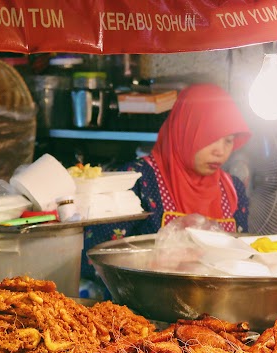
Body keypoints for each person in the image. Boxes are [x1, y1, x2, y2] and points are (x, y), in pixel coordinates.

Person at [81, 82, 252, 287]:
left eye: (228, 140)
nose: (220, 151)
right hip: (143, 308)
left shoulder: (233, 189)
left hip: (218, 309)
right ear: (185, 128)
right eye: (210, 137)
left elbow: (243, 258)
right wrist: (153, 261)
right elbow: (92, 257)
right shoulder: (138, 180)